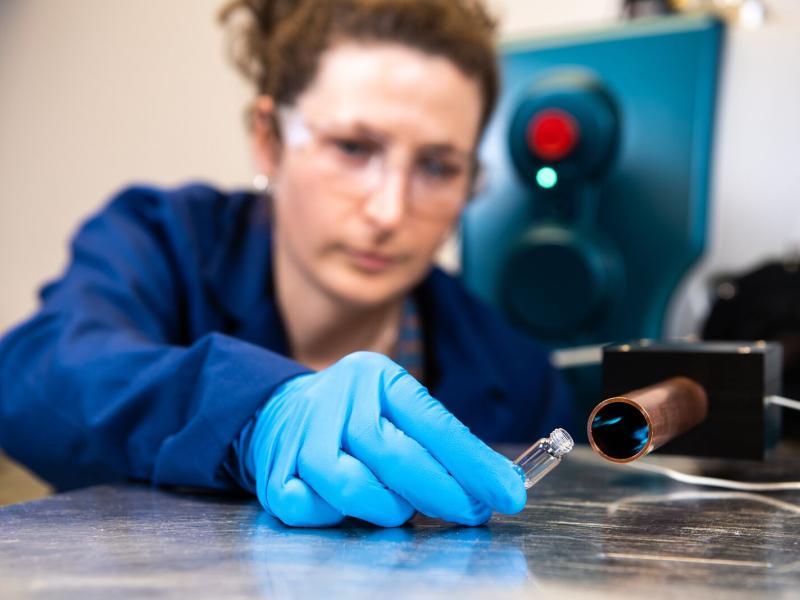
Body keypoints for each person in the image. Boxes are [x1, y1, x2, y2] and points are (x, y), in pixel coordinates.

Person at [0, 0, 571, 527]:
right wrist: (254, 416)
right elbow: (38, 370)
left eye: (438, 167)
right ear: (270, 141)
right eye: (353, 147)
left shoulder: (516, 378)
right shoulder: (164, 242)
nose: (389, 210)